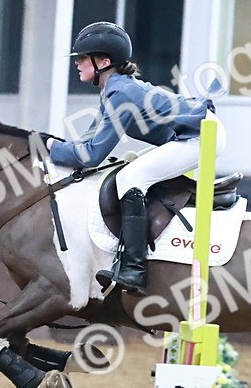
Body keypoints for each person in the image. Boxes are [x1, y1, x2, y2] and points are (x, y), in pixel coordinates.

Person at [45, 21, 224, 294]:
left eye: (82, 58)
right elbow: (87, 142)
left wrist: (50, 147)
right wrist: (56, 148)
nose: (77, 63)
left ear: (104, 61)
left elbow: (92, 155)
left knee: (131, 176)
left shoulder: (121, 93)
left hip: (200, 135)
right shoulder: (112, 91)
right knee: (128, 164)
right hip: (187, 136)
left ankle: (134, 269)